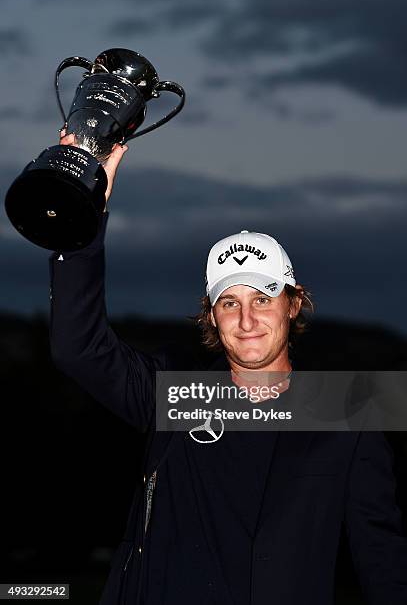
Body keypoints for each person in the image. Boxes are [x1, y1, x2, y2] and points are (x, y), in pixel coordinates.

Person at [49, 132, 407, 604]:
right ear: (211, 316)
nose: (247, 320)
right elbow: (77, 348)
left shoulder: (347, 413)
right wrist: (83, 217)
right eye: (229, 302)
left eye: (263, 299)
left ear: (293, 304)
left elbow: (381, 555)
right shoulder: (175, 392)